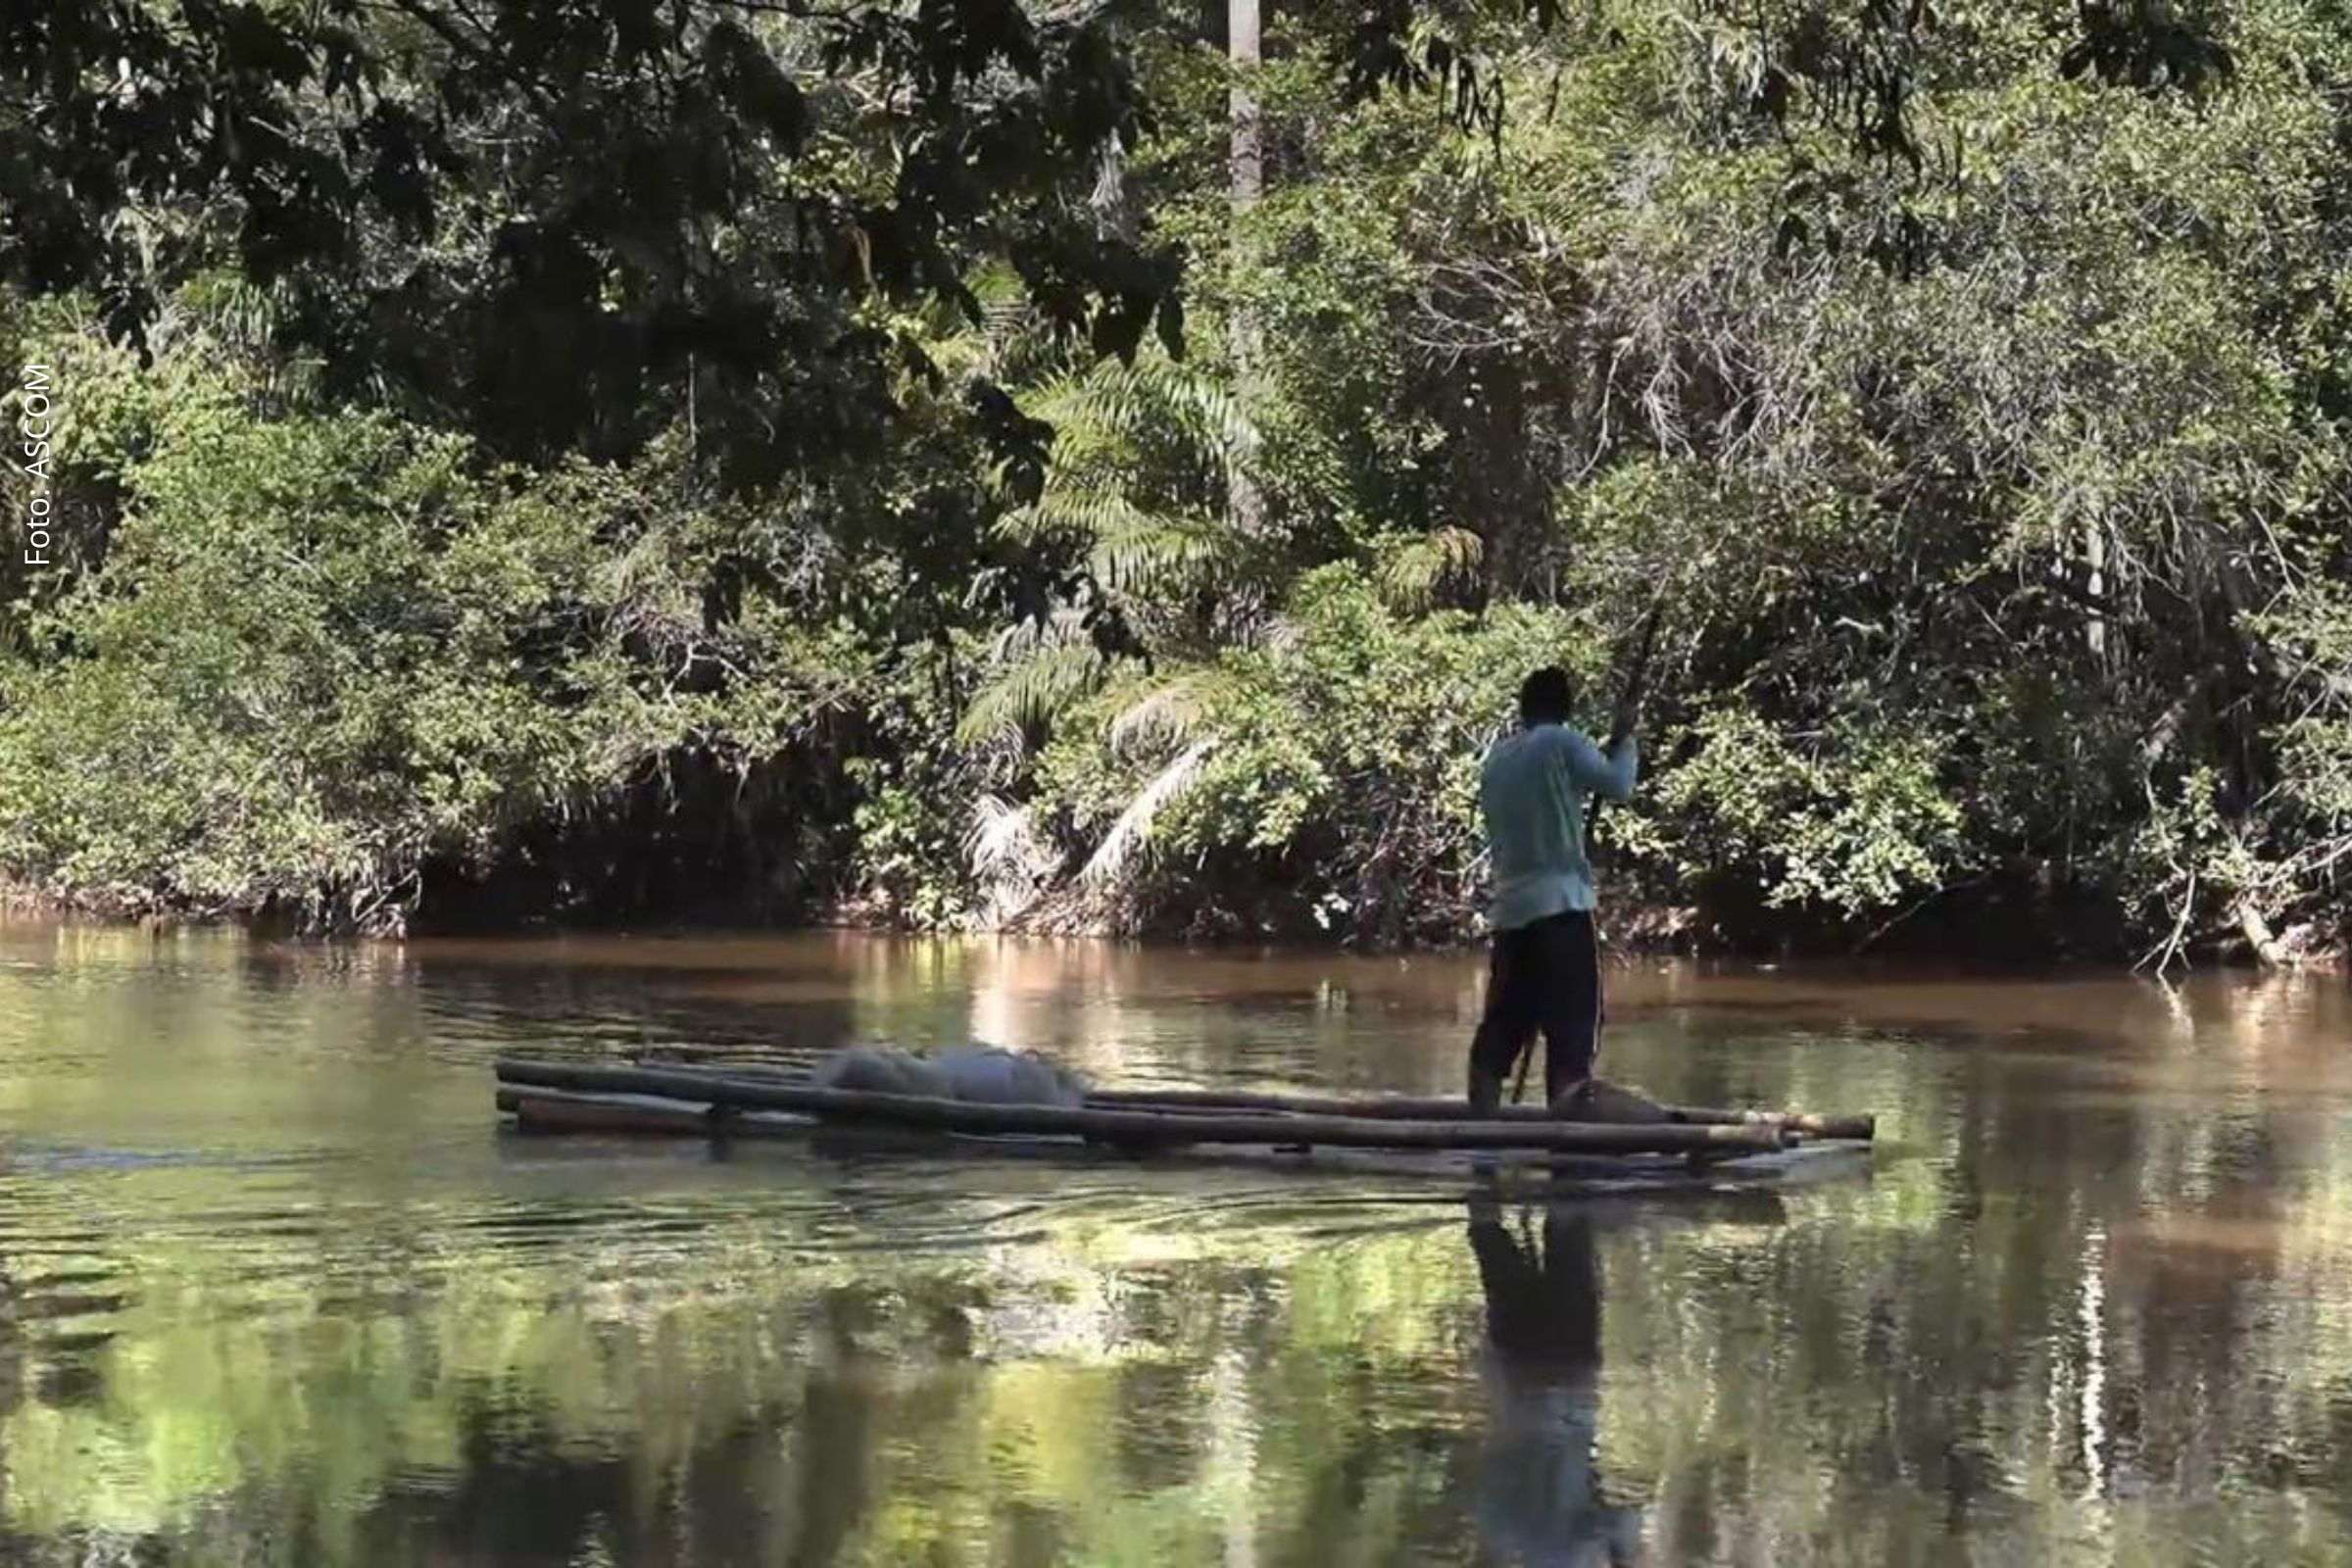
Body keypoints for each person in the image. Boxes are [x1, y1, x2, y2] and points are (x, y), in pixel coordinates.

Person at [1468, 666, 1639, 1115]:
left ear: (1524, 710)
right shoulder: (1562, 743)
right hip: (1562, 908)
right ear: (1565, 709)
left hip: (1511, 913)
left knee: (1502, 1027)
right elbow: (1619, 785)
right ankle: (1566, 1146)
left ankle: (1480, 1131)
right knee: (1571, 1032)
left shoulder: (1498, 760)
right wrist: (1626, 739)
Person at [1466, 1191, 1645, 1566]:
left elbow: (1625, 1518)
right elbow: (1488, 1471)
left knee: (1569, 1239)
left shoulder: (1577, 1556)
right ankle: (1482, 1169)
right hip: (1516, 1376)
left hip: (1570, 1374)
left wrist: (1624, 1554)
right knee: (1495, 1248)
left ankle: (1565, 1169)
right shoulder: (1503, 1533)